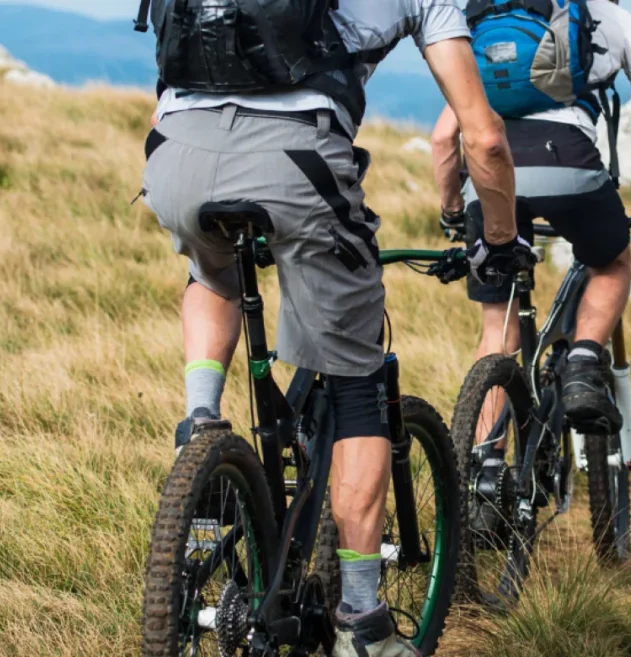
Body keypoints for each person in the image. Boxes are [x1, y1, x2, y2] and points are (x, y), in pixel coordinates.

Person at [139, 1, 524, 654]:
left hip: (173, 161)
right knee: (356, 385)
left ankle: (199, 423)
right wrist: (499, 238)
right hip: (296, 161)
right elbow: (483, 138)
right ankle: (362, 620)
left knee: (213, 275)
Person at [431, 0, 631, 435]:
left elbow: (441, 139)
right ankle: (584, 361)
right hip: (569, 165)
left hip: (488, 179)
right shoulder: (611, 16)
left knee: (498, 332)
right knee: (611, 262)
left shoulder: (485, 19)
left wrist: (453, 210)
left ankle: (480, 467)